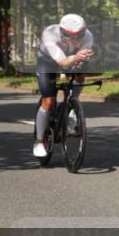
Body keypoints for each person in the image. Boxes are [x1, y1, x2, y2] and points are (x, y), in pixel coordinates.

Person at [33, 14, 94, 157]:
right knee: (48, 100)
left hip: (71, 58)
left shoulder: (88, 37)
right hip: (47, 62)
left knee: (81, 74)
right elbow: (62, 63)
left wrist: (82, 61)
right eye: (70, 35)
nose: (75, 39)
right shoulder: (49, 34)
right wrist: (76, 57)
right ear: (62, 32)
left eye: (79, 35)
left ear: (84, 31)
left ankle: (72, 105)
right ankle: (39, 141)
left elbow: (80, 60)